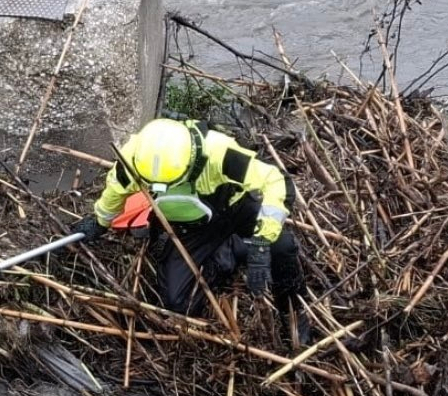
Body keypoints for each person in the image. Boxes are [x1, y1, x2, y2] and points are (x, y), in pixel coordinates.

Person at [71, 117, 306, 317]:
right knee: (178, 304)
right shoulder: (133, 160)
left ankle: (294, 312)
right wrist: (99, 221)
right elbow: (116, 191)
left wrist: (263, 242)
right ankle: (231, 251)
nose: (158, 188)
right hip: (189, 228)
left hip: (232, 207)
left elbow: (275, 180)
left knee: (282, 247)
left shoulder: (217, 151)